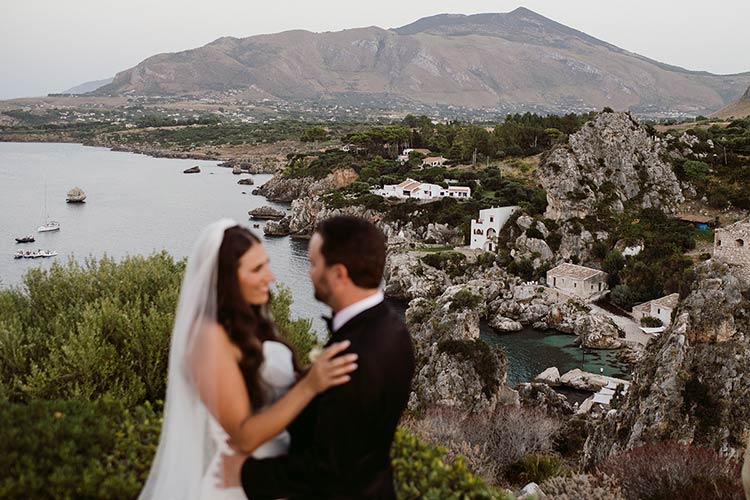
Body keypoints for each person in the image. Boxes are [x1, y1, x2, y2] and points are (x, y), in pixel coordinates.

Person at [139, 219, 358, 500]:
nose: (271, 276)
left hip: (271, 476)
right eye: (257, 269)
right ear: (227, 278)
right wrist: (310, 385)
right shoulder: (209, 337)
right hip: (236, 484)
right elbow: (243, 435)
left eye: (266, 263)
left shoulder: (247, 323)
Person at [221, 215, 416, 499]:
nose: (309, 273)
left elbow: (330, 468)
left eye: (313, 264)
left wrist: (243, 474)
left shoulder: (355, 354)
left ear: (338, 274)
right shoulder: (394, 331)